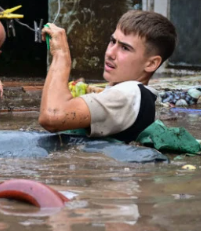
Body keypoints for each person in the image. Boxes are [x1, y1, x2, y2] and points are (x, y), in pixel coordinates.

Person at [38, 10, 177, 142]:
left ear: (152, 63)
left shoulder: (129, 93)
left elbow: (52, 116)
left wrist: (61, 54)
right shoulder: (137, 96)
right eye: (112, 41)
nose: (110, 52)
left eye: (125, 48)